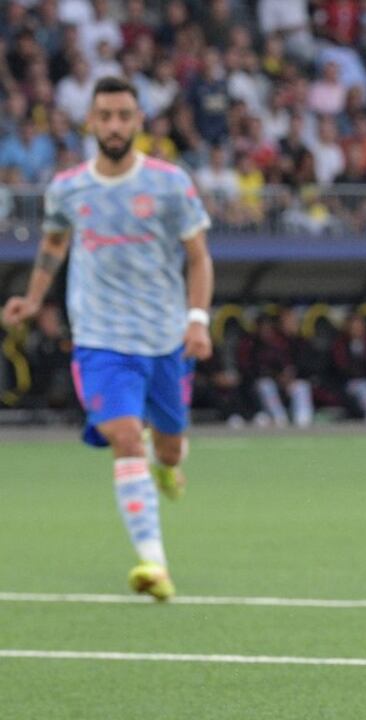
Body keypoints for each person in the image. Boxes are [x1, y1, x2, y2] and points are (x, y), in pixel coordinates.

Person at [2, 77, 213, 602]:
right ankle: (153, 563)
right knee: (124, 435)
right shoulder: (68, 188)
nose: (115, 125)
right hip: (99, 338)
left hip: (164, 338)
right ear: (90, 122)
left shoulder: (170, 183)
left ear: (139, 121)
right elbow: (54, 244)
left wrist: (197, 319)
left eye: (124, 115)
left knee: (169, 448)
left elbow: (198, 257)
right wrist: (33, 298)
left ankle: (166, 464)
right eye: (105, 116)